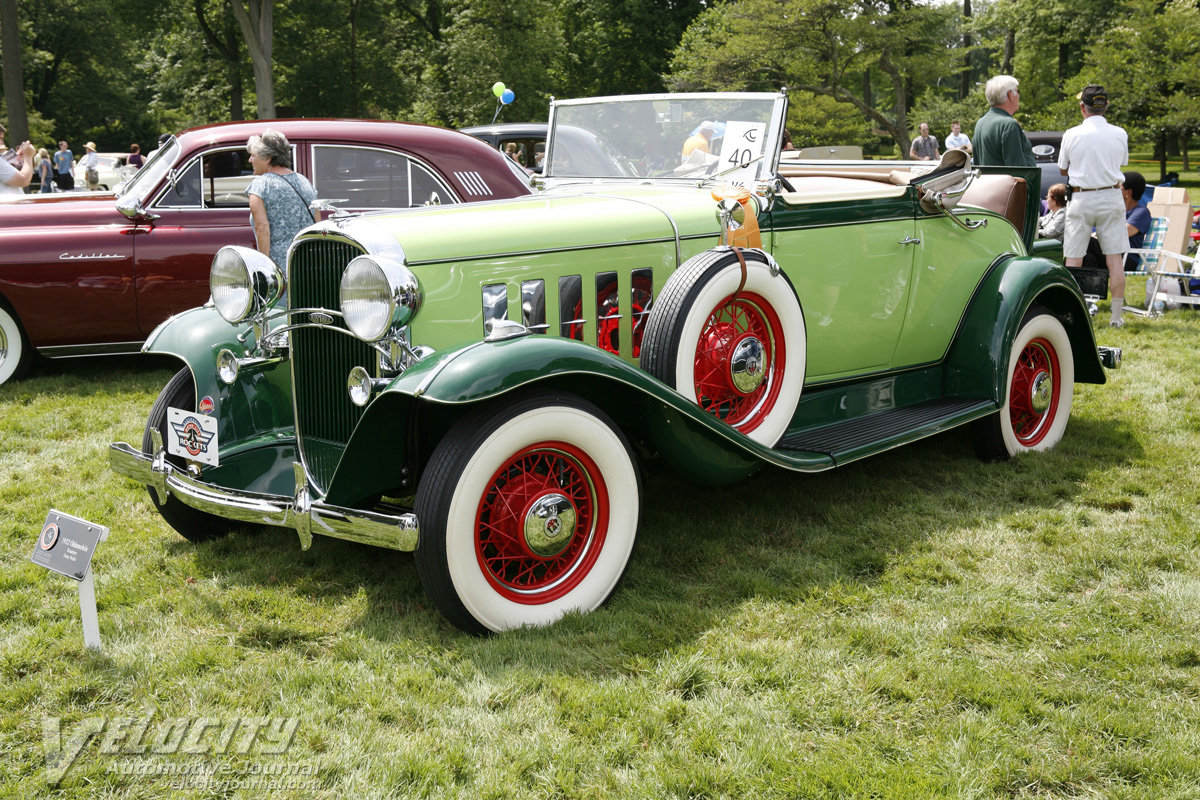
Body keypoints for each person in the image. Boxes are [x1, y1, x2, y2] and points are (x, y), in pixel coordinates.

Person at [1058, 85, 1129, 327]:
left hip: (1082, 196)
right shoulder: (1120, 133)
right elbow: (1122, 161)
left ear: (1082, 108)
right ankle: (1116, 318)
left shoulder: (1071, 134)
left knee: (1074, 258)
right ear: (1106, 106)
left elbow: (1063, 168)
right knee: (1114, 258)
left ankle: (1070, 314)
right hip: (1111, 196)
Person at [245, 129, 318, 269]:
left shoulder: (260, 185)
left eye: (253, 155)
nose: (250, 160)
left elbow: (262, 227)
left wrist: (265, 267)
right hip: (308, 264)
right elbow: (317, 224)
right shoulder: (304, 182)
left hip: (279, 267)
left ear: (267, 157)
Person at [973, 76, 1036, 170]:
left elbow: (977, 166)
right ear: (1010, 94)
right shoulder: (1009, 125)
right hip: (1009, 184)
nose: (1019, 96)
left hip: (987, 184)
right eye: (1018, 92)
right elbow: (1018, 171)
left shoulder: (980, 123)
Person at [1120, 171, 1151, 272]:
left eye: (1118, 187)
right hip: (1108, 252)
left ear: (1128, 192)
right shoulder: (1115, 211)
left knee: (1090, 245)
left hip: (1126, 258)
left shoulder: (1142, 212)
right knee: (1087, 256)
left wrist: (1097, 235)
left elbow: (1122, 233)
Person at [0, 122, 35, 198]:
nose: (2, 142)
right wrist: (28, 156)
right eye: (0, 138)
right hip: (8, 208)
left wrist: (16, 157)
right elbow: (24, 180)